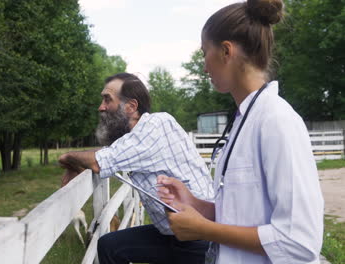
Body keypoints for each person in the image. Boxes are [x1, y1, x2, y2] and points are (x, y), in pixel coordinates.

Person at [156, 0, 324, 263]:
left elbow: (299, 242)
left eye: (204, 53)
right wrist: (195, 204)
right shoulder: (247, 119)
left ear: (226, 51)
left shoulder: (277, 121)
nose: (203, 66)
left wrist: (204, 230)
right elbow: (247, 214)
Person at [59, 72, 213, 264]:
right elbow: (109, 153)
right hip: (172, 233)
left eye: (108, 100)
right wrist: (77, 162)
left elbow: (99, 161)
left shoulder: (155, 126)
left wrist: (67, 158)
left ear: (131, 106)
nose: (101, 107)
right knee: (110, 246)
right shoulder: (135, 139)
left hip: (200, 236)